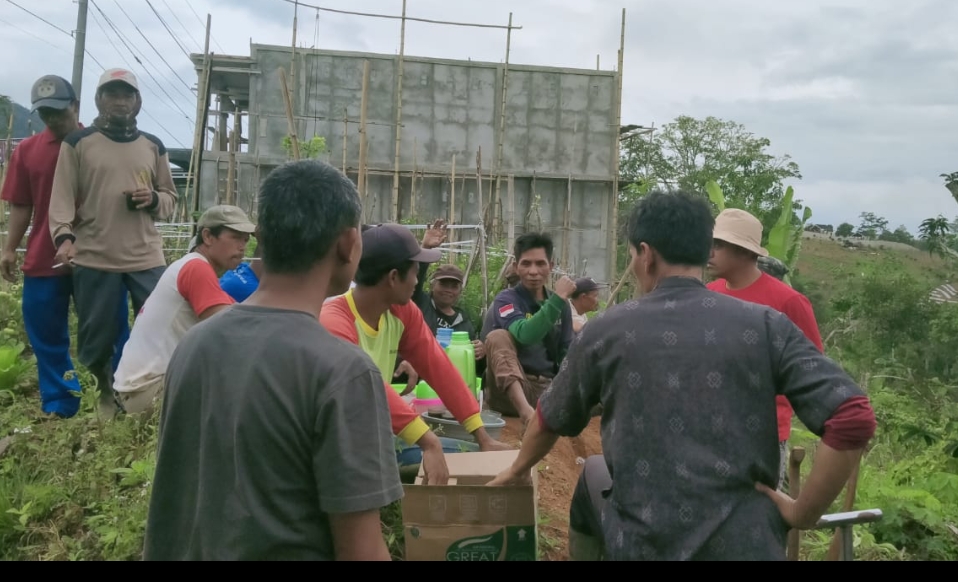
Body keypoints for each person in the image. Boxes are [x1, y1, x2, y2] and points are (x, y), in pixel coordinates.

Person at [486, 190, 876, 561]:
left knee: (593, 471)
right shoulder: (766, 325)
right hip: (746, 544)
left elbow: (549, 418)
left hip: (645, 544)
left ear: (646, 254)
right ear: (704, 252)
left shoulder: (606, 330)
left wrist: (518, 470)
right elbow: (853, 417)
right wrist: (803, 514)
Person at [144, 159, 402, 561]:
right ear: (348, 244)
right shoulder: (343, 370)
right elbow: (361, 550)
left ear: (261, 237)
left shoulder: (194, 345)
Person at [320, 223, 512, 477]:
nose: (417, 281)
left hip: (373, 436)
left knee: (468, 454)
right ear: (393, 277)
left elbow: (438, 366)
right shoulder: (334, 321)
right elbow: (370, 386)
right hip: (332, 444)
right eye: (415, 271)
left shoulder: (401, 311)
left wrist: (481, 435)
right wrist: (427, 441)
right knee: (436, 454)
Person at [48, 68, 177, 418]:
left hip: (146, 256)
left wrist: (152, 199)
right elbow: (60, 199)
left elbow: (170, 198)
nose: (120, 101)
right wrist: (64, 238)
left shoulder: (153, 145)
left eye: (127, 95)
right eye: (111, 94)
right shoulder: (78, 143)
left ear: (137, 102)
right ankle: (106, 391)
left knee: (163, 326)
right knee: (95, 338)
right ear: (98, 99)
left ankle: (154, 396)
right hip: (95, 255)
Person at [0, 74, 129, 419]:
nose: (53, 120)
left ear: (75, 106)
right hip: (44, 256)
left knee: (112, 329)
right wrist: (10, 248)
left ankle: (121, 396)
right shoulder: (27, 151)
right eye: (45, 114)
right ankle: (61, 402)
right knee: (44, 331)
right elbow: (22, 205)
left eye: (59, 111)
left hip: (99, 256)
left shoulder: (102, 145)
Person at [706, 208, 825, 490]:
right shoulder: (708, 294)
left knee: (759, 509)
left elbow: (812, 368)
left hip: (763, 430)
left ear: (745, 252)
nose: (709, 252)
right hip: (710, 423)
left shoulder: (788, 301)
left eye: (719, 245)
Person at [113, 205, 255, 416]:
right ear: (207, 236)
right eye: (235, 237)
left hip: (137, 389)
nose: (242, 246)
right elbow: (232, 330)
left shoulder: (189, 266)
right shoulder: (197, 269)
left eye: (245, 239)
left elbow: (239, 313)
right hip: (149, 390)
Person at [480, 232, 576, 426]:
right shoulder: (506, 300)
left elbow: (567, 351)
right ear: (516, 267)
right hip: (511, 391)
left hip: (547, 390)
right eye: (526, 264)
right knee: (497, 336)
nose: (533, 271)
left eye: (540, 263)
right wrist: (557, 299)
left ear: (551, 265)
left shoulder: (561, 306)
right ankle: (526, 414)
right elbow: (525, 334)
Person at [393, 219, 486, 392]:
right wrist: (425, 248)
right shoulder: (421, 302)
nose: (448, 290)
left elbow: (469, 359)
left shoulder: (464, 320)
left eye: (454, 286)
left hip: (447, 385)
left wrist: (480, 351)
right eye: (443, 284)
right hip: (415, 379)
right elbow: (415, 278)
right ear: (432, 285)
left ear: (460, 290)